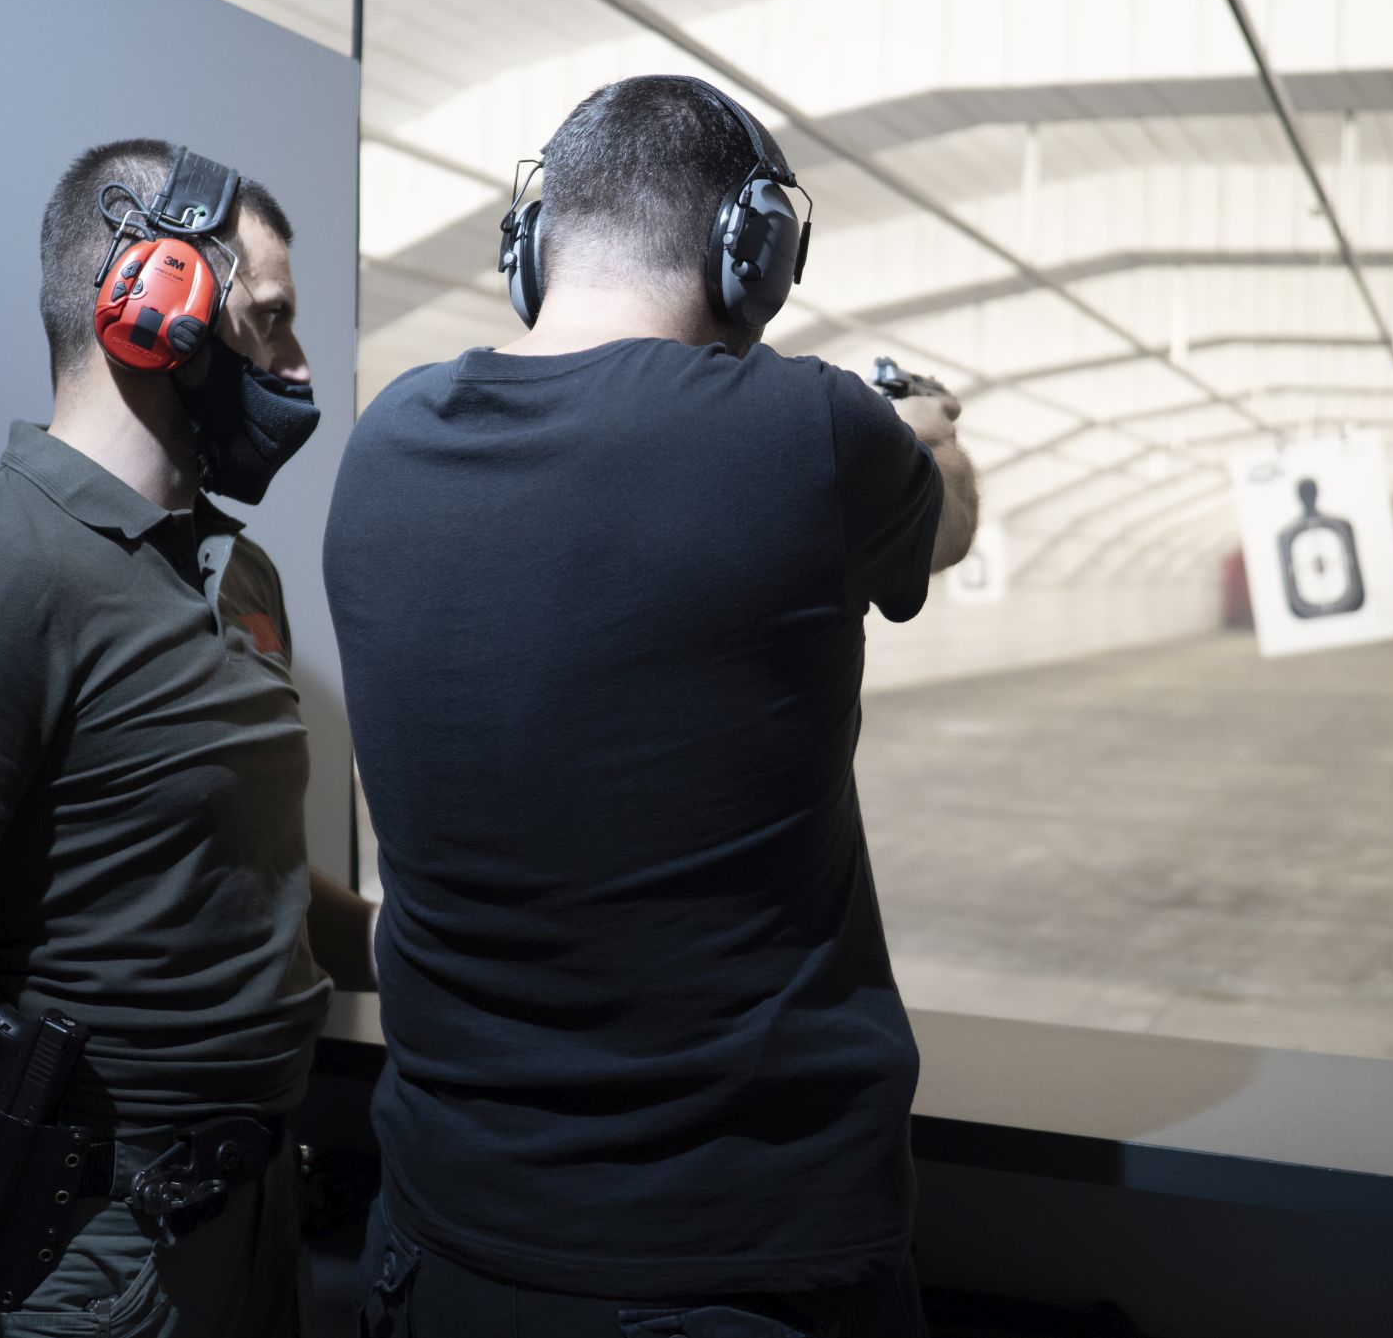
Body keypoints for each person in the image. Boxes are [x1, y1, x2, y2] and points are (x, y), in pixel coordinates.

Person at [326, 75, 979, 1337]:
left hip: (435, 1251)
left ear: (531, 244)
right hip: (723, 1270)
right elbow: (939, 529)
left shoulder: (387, 439)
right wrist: (927, 434)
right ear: (754, 251)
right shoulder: (810, 431)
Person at [0, 138, 379, 1338]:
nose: (299, 366)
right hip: (105, 1257)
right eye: (270, 320)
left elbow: (232, 870)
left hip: (262, 1211)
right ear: (159, 302)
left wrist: (424, 950)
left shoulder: (240, 574)